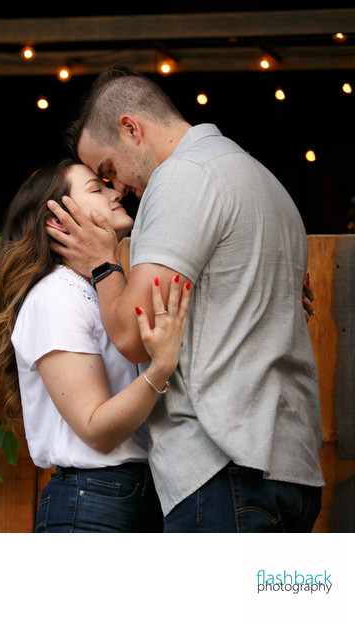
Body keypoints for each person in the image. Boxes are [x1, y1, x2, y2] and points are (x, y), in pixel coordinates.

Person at [45, 64, 324, 532]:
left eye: (109, 170)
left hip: (223, 465)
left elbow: (136, 335)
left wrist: (103, 262)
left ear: (131, 128)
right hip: (290, 465)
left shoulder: (181, 178)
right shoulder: (263, 180)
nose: (117, 189)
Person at [0, 157, 191, 532]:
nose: (115, 192)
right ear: (57, 221)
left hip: (137, 494)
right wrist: (160, 368)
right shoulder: (55, 296)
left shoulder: (107, 290)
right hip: (94, 501)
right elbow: (95, 428)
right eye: (97, 188)